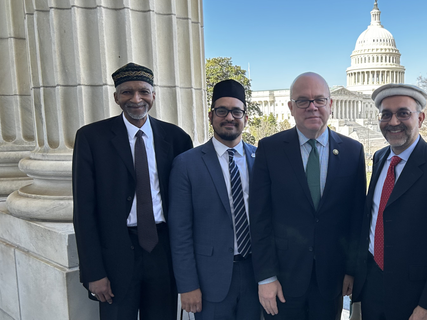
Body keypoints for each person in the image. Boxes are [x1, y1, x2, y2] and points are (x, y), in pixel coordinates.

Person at [72, 62, 193, 320]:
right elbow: (84, 211)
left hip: (163, 255)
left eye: (143, 92)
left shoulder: (177, 139)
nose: (136, 99)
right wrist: (94, 272)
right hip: (115, 258)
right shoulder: (91, 139)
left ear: (153, 95)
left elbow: (187, 207)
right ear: (116, 97)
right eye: (127, 92)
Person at [250, 72, 366, 319]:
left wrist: (351, 270)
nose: (312, 107)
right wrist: (266, 277)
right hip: (282, 281)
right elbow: (259, 219)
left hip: (331, 280)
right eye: (303, 101)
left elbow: (356, 218)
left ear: (330, 105)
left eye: (319, 100)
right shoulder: (270, 149)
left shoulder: (352, 152)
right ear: (291, 107)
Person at [351, 84, 427, 320]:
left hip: (414, 294)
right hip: (372, 284)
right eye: (386, 114)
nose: (393, 122)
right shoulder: (380, 157)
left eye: (403, 113)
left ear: (420, 118)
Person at [168, 79, 260, 319]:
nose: (229, 117)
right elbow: (180, 232)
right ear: (211, 116)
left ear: (245, 118)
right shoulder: (187, 164)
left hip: (255, 275)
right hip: (210, 281)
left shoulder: (260, 160)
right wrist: (187, 285)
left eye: (236, 111)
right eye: (222, 110)